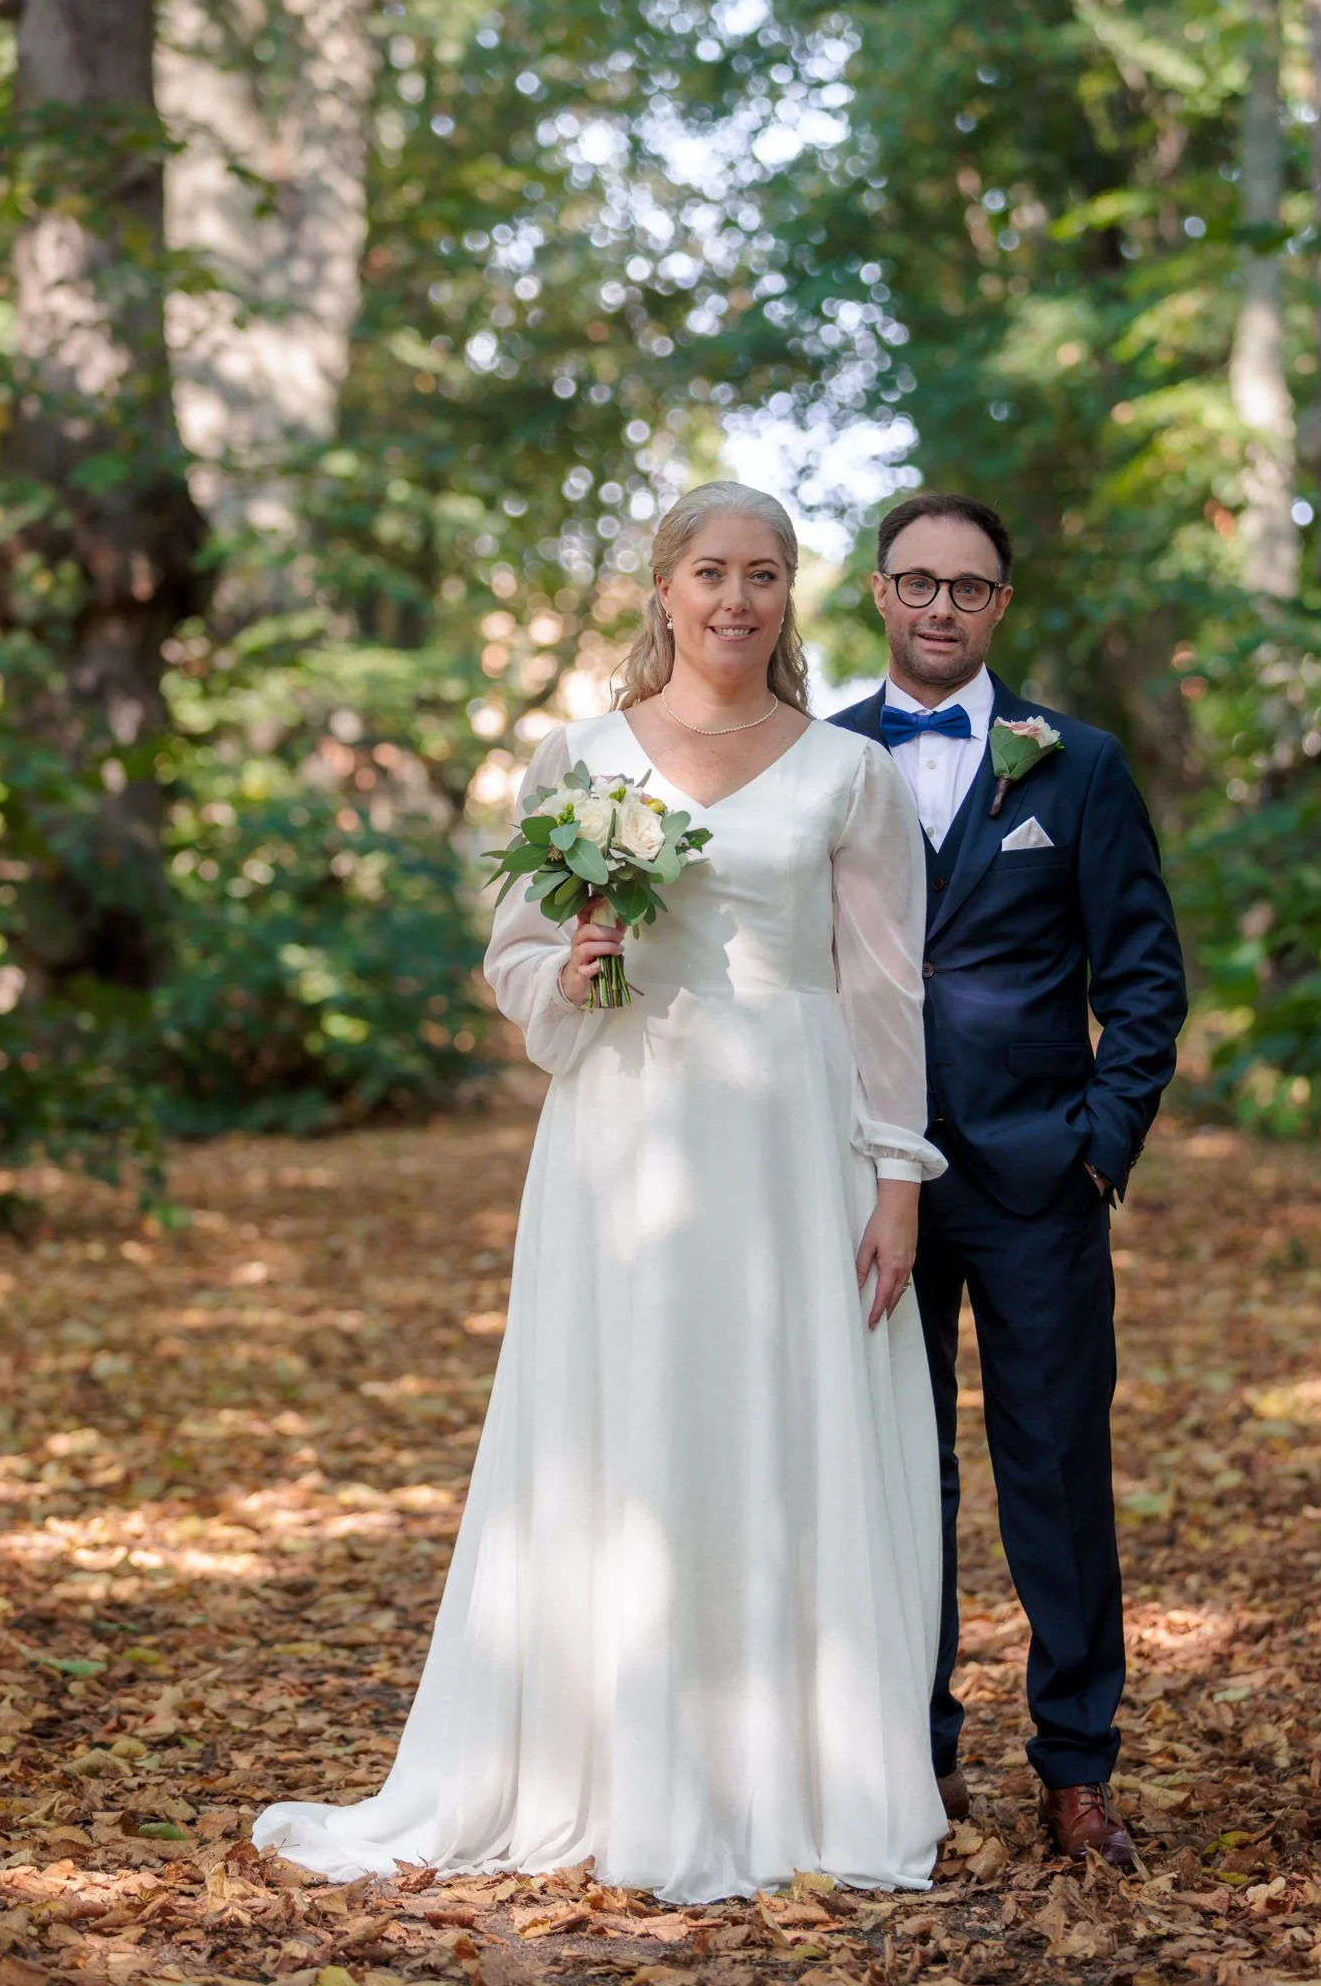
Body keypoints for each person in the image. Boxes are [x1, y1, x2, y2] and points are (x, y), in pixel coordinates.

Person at [252, 482, 947, 1903]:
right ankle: (611, 1757)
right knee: (623, 1416)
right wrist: (568, 969)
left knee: (780, 1415)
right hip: (624, 1125)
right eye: (712, 572)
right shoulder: (579, 757)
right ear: (665, 587)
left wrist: (897, 1178)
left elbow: (886, 993)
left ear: (789, 594)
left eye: (763, 574)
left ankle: (789, 1771)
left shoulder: (846, 774)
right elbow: (513, 955)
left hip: (792, 1132)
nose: (736, 599)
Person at [833, 490, 1187, 1868]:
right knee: (888, 1474)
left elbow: (1143, 975)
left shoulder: (1078, 765)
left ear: (1000, 606)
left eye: (968, 587)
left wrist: (1102, 1143)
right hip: (865, 1175)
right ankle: (909, 1759)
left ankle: (1075, 1767)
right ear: (880, 592)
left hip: (1039, 1176)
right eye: (917, 582)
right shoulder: (816, 757)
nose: (941, 606)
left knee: (1055, 1471)